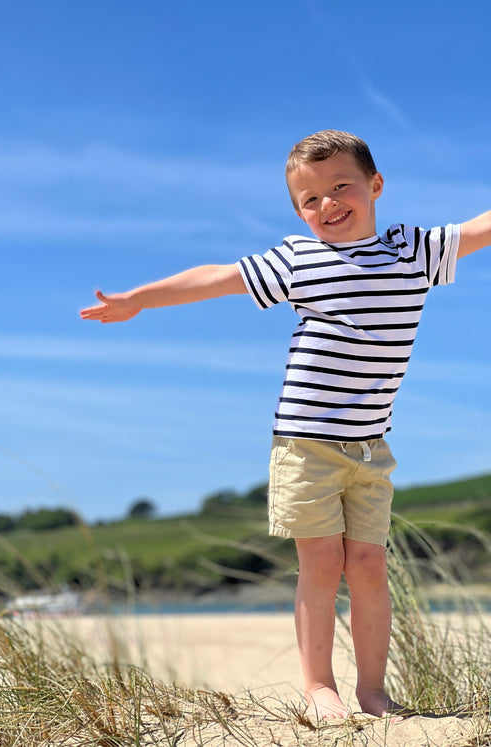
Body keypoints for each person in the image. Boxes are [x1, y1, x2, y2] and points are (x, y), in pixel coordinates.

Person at [80, 130, 490, 721]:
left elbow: (480, 228)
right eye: (310, 199)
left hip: (372, 447)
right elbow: (218, 277)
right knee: (322, 565)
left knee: (371, 566)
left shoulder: (414, 250)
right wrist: (140, 298)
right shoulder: (300, 258)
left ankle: (373, 692)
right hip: (305, 442)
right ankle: (318, 687)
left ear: (375, 186)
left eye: (340, 186)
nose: (327, 205)